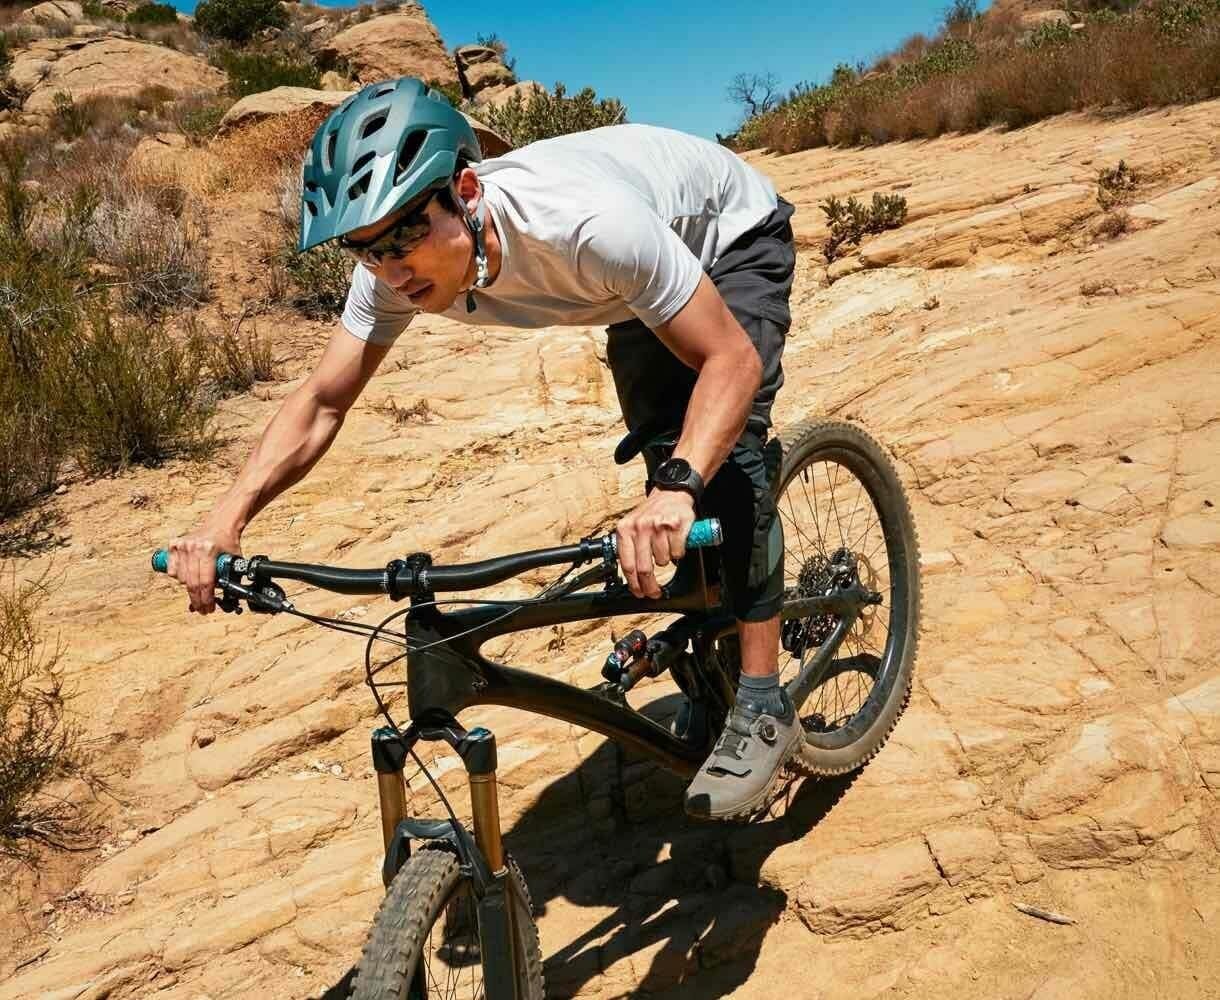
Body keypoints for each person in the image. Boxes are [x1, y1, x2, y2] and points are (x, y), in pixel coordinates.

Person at [165, 77, 798, 820]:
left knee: (718, 465)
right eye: (363, 251)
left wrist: (681, 487)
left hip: (725, 237)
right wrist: (226, 517)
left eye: (403, 237)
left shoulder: (584, 226)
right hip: (631, 289)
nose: (391, 270)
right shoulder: (390, 276)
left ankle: (763, 701)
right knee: (670, 459)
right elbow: (323, 401)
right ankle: (715, 644)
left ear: (465, 191)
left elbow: (731, 361)